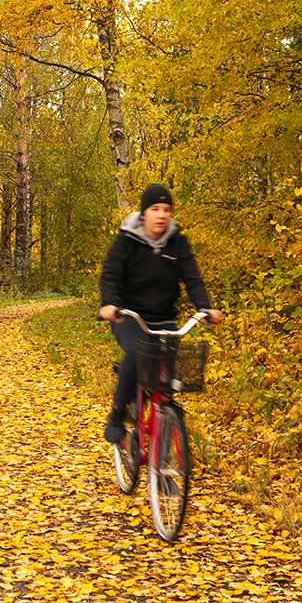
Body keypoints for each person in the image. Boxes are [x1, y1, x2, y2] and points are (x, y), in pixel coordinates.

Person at [98, 183, 223, 443]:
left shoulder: (178, 243)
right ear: (144, 213)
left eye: (167, 209)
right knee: (137, 351)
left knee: (166, 376)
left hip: (164, 317)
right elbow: (110, 273)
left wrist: (205, 307)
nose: (161, 215)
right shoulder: (127, 240)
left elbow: (193, 279)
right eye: (155, 209)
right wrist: (109, 303)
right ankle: (118, 413)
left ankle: (162, 419)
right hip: (129, 316)